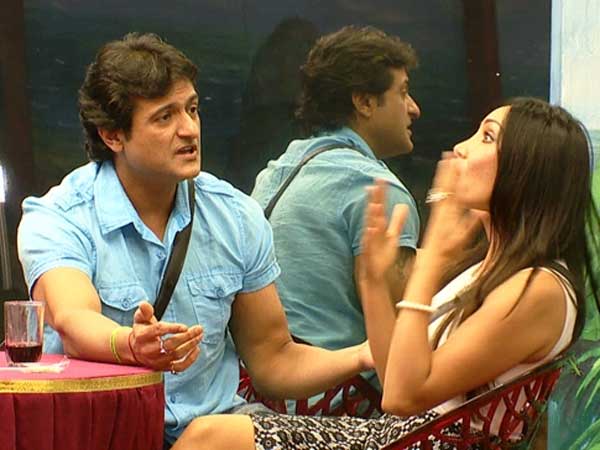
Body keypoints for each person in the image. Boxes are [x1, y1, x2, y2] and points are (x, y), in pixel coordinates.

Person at [171, 97, 600, 449]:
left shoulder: (540, 287)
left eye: (487, 137)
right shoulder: (488, 267)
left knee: (212, 438)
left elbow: (402, 396)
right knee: (209, 433)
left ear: (529, 170)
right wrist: (373, 282)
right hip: (398, 436)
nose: (461, 147)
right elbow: (395, 372)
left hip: (415, 441)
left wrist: (429, 263)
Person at [16, 33, 372, 447]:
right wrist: (129, 344)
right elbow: (73, 319)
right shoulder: (59, 216)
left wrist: (363, 354)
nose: (189, 130)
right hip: (106, 434)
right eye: (164, 117)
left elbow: (274, 359)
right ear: (113, 135)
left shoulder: (236, 217)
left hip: (216, 428)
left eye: (192, 109)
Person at [250, 26, 421, 392]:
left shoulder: (275, 173)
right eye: (403, 92)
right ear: (364, 102)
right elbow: (405, 336)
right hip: (342, 399)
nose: (414, 108)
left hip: (260, 388)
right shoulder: (379, 191)